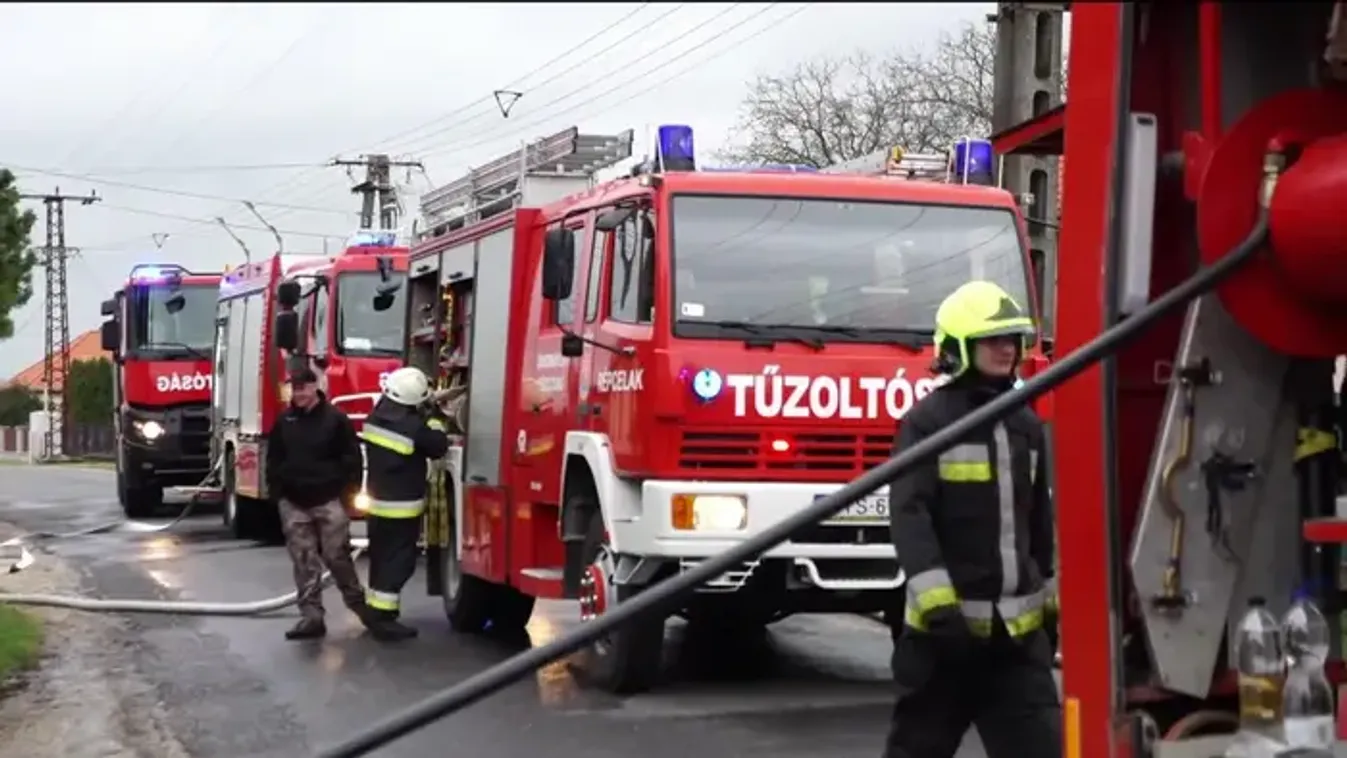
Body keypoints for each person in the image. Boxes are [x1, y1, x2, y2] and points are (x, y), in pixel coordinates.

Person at [883, 280, 1060, 758]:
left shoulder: (1025, 422)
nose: (1008, 349)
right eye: (993, 340)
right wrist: (940, 608)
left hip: (1016, 648)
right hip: (944, 645)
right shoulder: (928, 422)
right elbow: (910, 515)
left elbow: (1038, 520)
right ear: (959, 346)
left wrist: (1048, 603)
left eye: (1013, 339)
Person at [266, 365, 375, 641]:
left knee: (337, 556)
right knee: (303, 560)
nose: (297, 394)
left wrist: (348, 496)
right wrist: (278, 494)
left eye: (302, 388)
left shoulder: (336, 420)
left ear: (315, 388)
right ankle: (311, 617)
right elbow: (274, 458)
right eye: (294, 388)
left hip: (329, 500)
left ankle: (360, 607)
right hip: (294, 501)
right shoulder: (284, 421)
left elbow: (352, 459)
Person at [360, 366, 451, 641]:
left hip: (378, 506)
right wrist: (435, 419)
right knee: (400, 562)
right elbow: (438, 445)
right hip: (402, 508)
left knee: (381, 559)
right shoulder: (413, 426)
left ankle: (378, 612)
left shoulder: (376, 416)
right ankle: (384, 620)